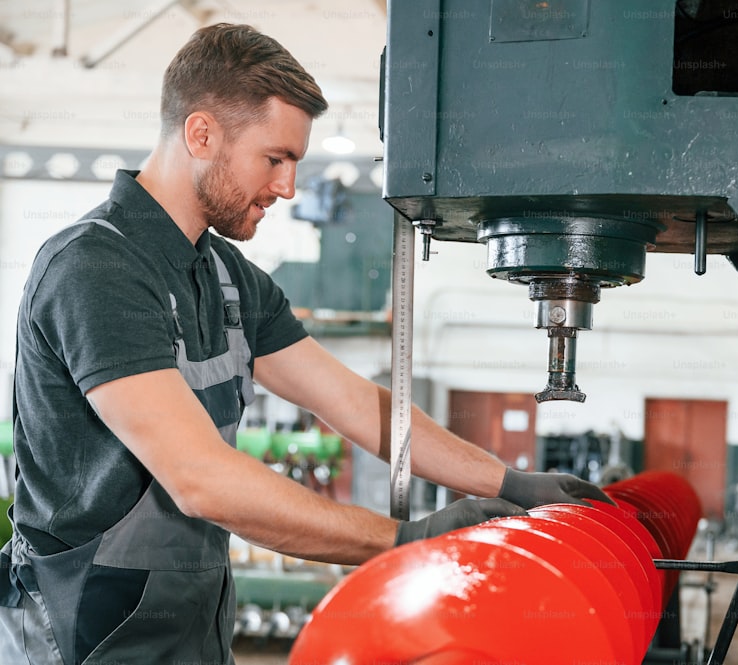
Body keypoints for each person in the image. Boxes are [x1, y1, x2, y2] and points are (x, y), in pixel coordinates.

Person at [0, 23, 611, 664]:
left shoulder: (229, 279)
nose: (289, 187)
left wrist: (509, 480)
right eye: (275, 158)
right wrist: (404, 537)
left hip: (192, 633)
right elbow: (200, 479)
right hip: (77, 636)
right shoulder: (95, 269)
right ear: (201, 133)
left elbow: (353, 402)